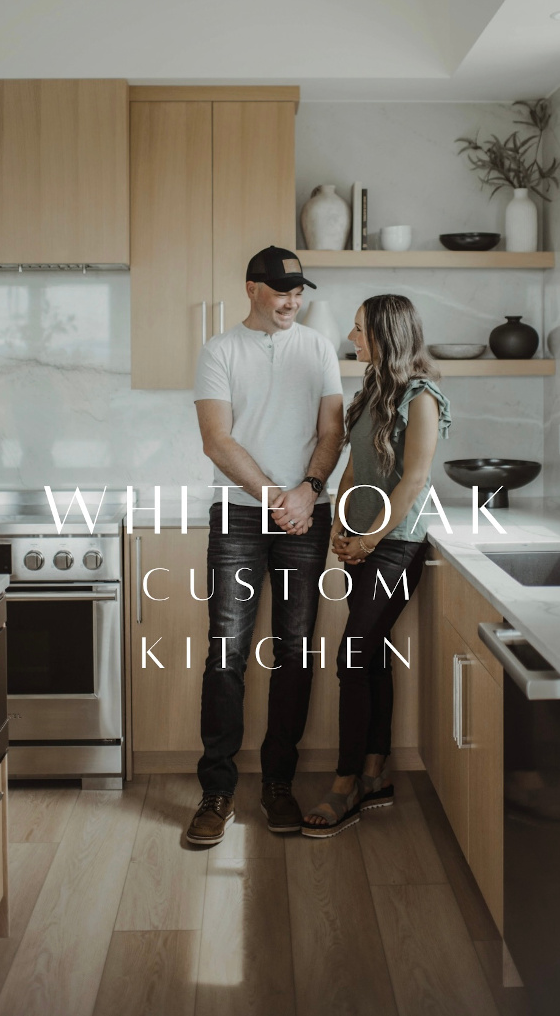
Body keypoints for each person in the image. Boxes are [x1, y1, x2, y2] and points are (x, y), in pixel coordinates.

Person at [187, 246, 344, 846]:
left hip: (307, 514)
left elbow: (331, 431)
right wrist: (277, 496)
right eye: (280, 290)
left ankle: (278, 783)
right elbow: (215, 439)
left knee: (295, 650)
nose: (292, 301)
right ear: (252, 288)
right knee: (225, 652)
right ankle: (217, 790)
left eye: (298, 290)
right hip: (238, 516)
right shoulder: (218, 351)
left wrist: (307, 491)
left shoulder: (318, 349)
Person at [301, 293, 451, 837]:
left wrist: (369, 541)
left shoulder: (422, 397)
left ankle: (345, 784)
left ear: (387, 334)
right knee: (371, 658)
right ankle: (375, 772)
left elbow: (413, 481)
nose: (351, 336)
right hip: (363, 540)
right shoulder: (370, 393)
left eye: (360, 329)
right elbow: (352, 468)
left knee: (353, 657)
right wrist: (342, 526)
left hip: (396, 544)